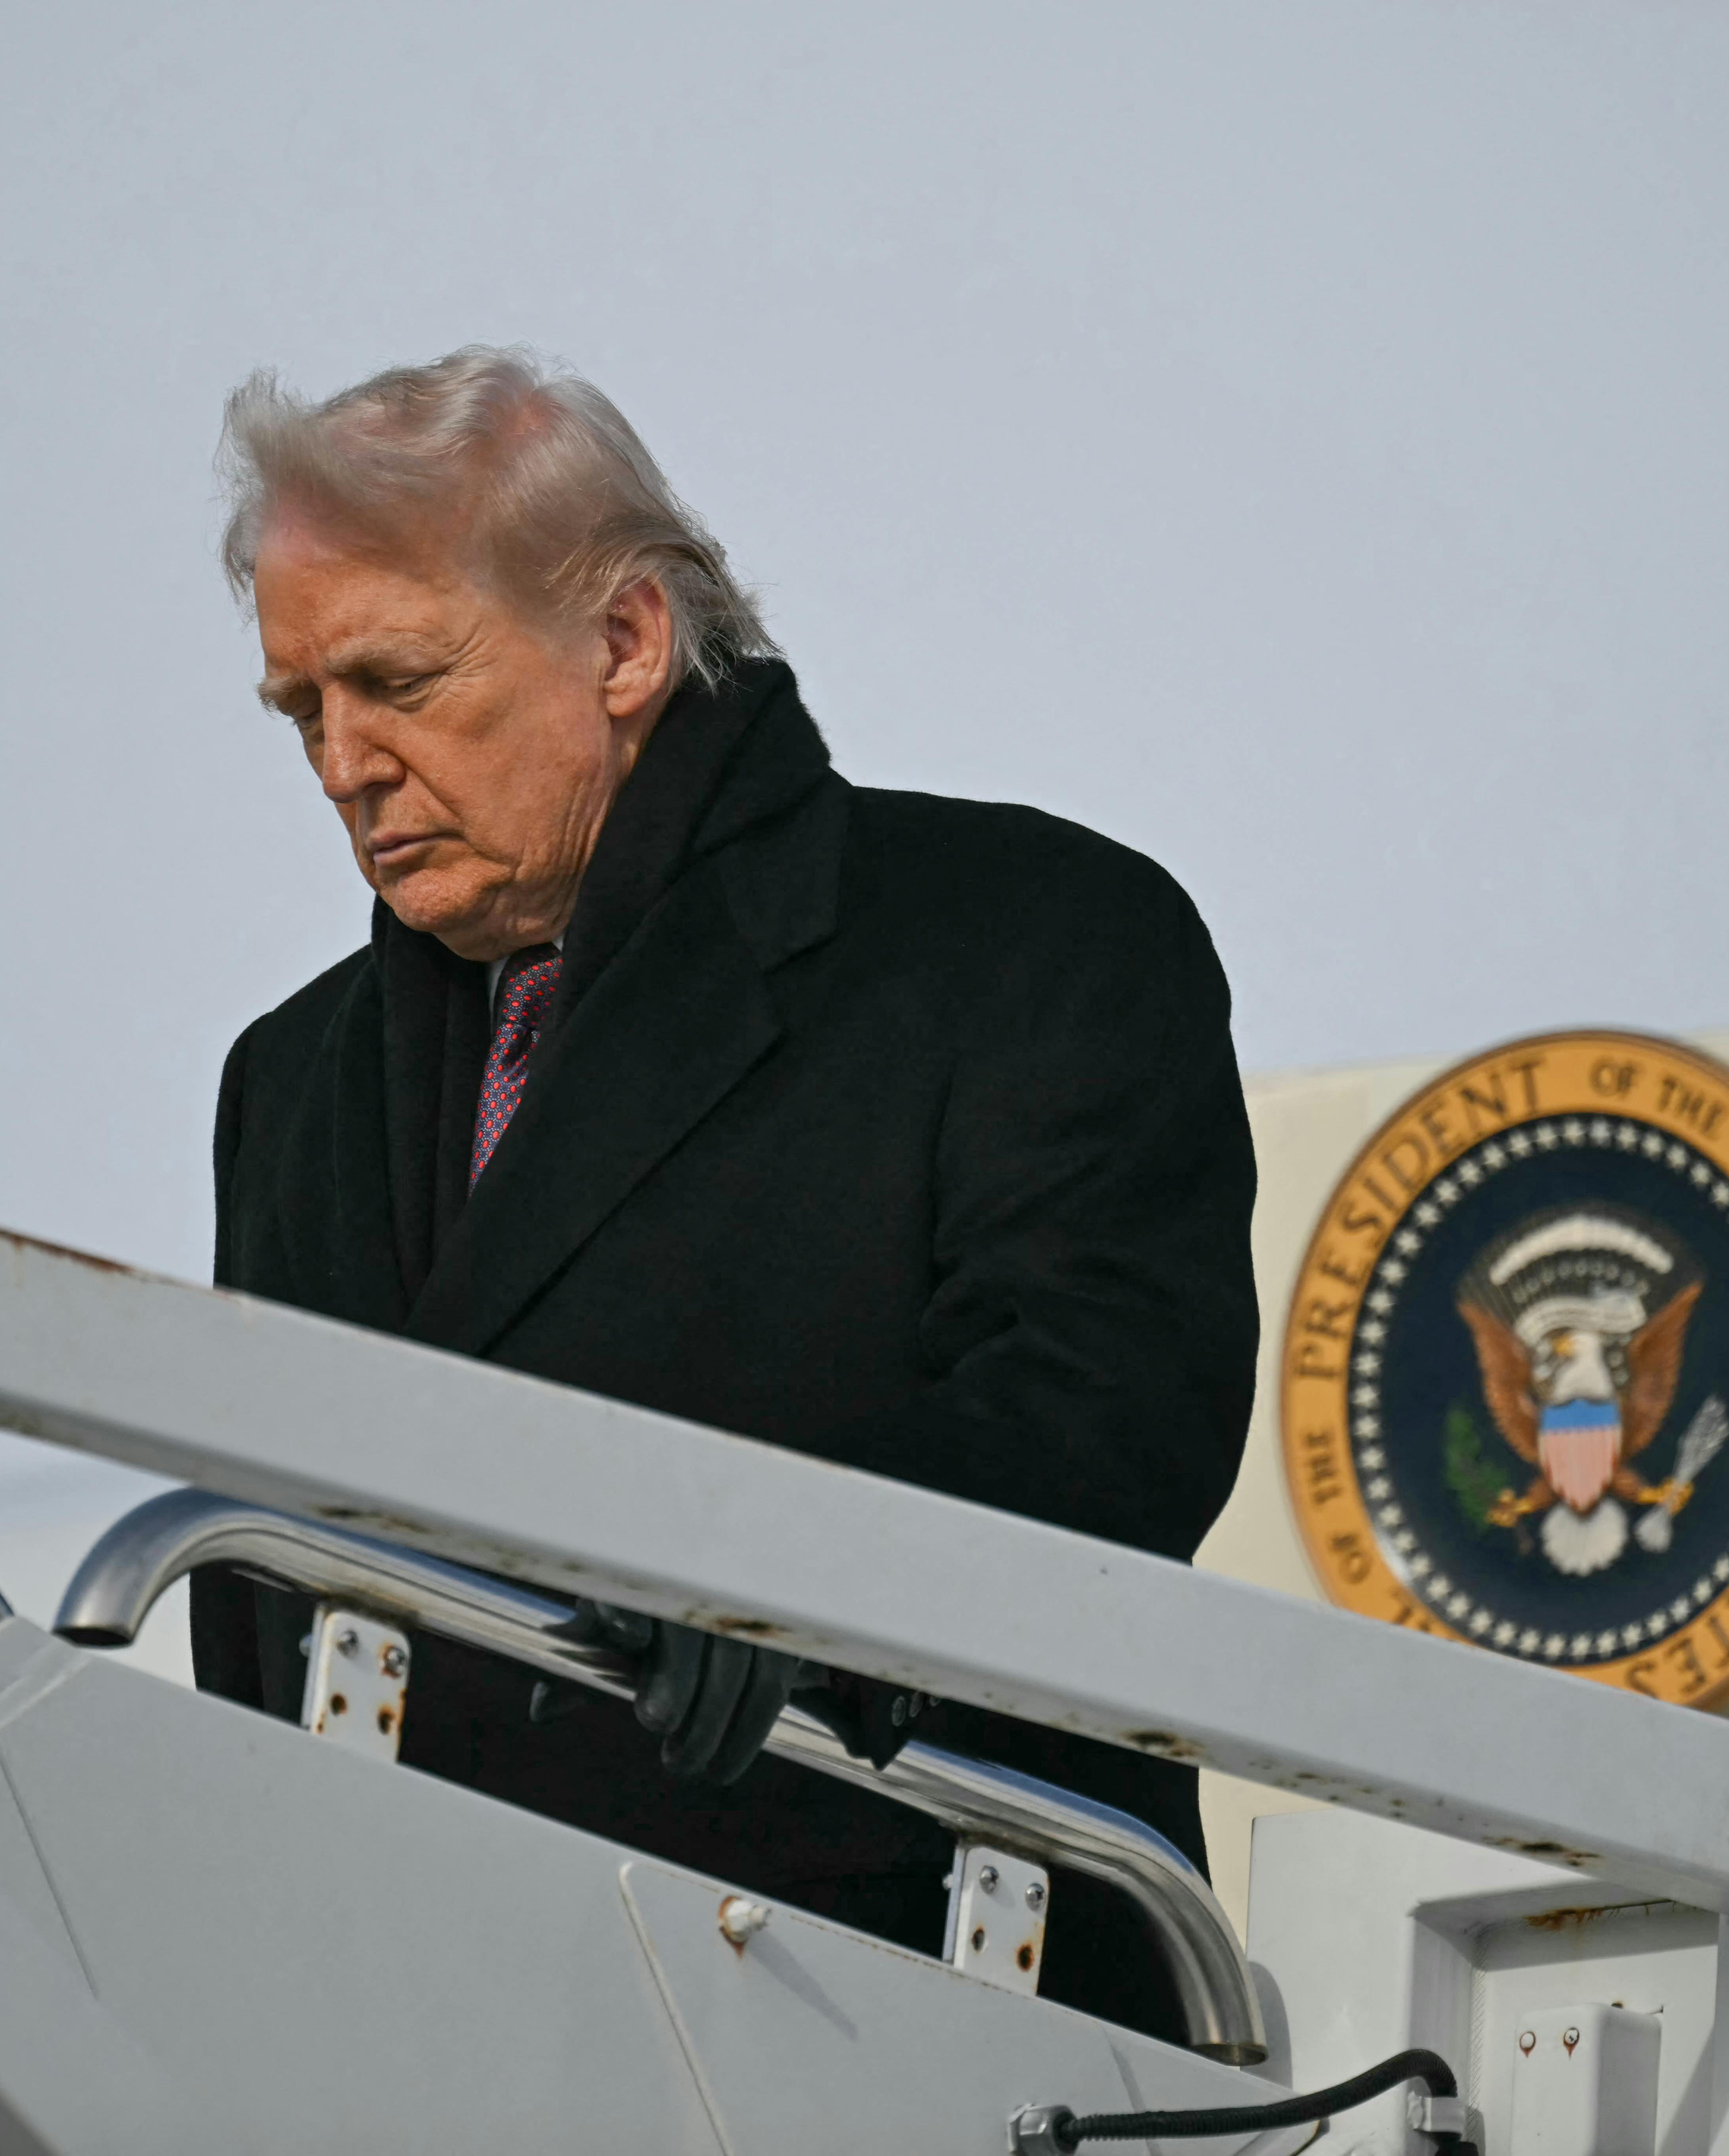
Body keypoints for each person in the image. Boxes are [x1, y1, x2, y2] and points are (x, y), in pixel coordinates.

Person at [191, 346, 1255, 2042]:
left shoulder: (1025, 938)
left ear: (622, 642)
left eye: (397, 679)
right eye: (301, 709)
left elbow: (1104, 1426)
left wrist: (781, 1579)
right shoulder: (287, 1085)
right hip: (401, 2043)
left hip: (898, 2029)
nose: (342, 761)